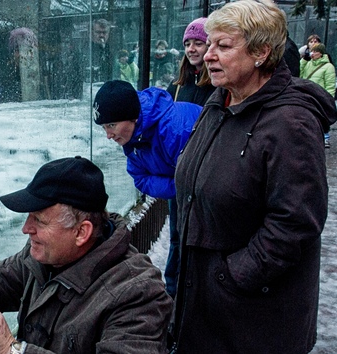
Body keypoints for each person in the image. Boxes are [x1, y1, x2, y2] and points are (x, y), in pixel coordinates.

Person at [171, 1, 337, 353]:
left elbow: (295, 222)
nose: (208, 54)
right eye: (209, 43)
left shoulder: (291, 122)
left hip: (253, 322)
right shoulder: (220, 102)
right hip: (206, 308)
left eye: (223, 46)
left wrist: (231, 276)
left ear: (262, 52)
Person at [0, 156, 173, 354]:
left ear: (81, 232)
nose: (26, 228)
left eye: (38, 219)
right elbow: (1, 276)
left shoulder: (138, 293)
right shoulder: (47, 254)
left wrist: (12, 349)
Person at [92, 80, 202, 293]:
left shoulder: (175, 129)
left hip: (208, 193)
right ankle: (174, 294)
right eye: (104, 127)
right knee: (179, 239)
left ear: (132, 116)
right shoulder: (135, 137)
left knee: (197, 243)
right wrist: (178, 185)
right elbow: (140, 178)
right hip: (184, 192)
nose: (108, 135)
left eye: (111, 125)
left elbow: (200, 177)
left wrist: (180, 184)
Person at [161, 17, 215, 300]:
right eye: (187, 44)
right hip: (179, 172)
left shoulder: (219, 85)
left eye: (198, 42)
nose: (192, 49)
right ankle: (174, 292)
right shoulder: (178, 86)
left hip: (207, 173)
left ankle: (197, 292)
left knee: (200, 236)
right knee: (176, 236)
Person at [300, 42, 335, 148]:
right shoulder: (308, 63)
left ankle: (325, 137)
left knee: (321, 117)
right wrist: (304, 61)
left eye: (315, 51)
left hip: (320, 97)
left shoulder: (328, 66)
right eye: (312, 51)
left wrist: (329, 98)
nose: (312, 53)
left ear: (321, 53)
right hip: (307, 95)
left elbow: (330, 84)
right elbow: (301, 74)